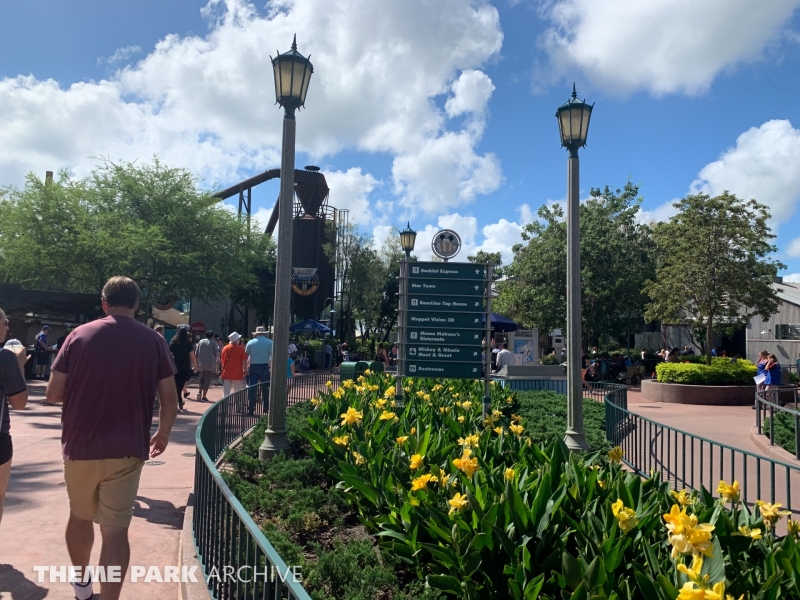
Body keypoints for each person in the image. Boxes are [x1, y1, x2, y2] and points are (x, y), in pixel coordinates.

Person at [46, 276, 178, 600]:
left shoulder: (78, 335)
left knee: (79, 516)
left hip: (79, 445)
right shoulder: (154, 341)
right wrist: (162, 433)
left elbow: (52, 393)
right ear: (136, 304)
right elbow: (170, 398)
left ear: (104, 303)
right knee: (116, 531)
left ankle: (81, 587)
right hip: (127, 449)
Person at [0, 308, 29, 526]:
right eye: (5, 322)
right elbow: (19, 403)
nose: (7, 327)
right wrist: (18, 366)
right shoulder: (5, 358)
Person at [245, 326, 273, 415]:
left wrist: (245, 368)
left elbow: (246, 357)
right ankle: (265, 407)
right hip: (264, 366)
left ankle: (251, 408)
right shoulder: (270, 342)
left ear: (256, 334)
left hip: (253, 367)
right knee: (265, 388)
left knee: (252, 388)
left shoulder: (250, 342)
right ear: (265, 333)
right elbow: (272, 355)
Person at [169, 326, 197, 410]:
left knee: (175, 385)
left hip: (174, 365)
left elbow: (170, 355)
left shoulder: (173, 342)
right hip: (184, 366)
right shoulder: (187, 343)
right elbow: (192, 356)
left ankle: (178, 401)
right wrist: (195, 365)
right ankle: (179, 400)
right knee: (180, 385)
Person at [220, 332, 248, 398]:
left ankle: (225, 405)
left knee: (226, 391)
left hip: (226, 372)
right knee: (238, 391)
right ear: (237, 339)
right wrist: (245, 369)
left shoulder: (225, 348)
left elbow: (222, 361)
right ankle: (238, 406)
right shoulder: (241, 348)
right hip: (237, 373)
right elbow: (244, 361)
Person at [195, 331, 219, 403]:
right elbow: (216, 352)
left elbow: (196, 353)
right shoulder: (214, 342)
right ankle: (204, 396)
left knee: (202, 378)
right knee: (207, 380)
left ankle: (199, 392)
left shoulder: (201, 341)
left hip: (201, 363)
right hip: (210, 363)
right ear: (212, 336)